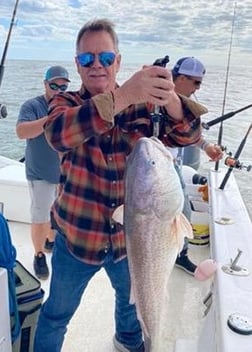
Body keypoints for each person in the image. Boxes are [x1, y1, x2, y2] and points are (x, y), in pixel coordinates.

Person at [34, 19, 207, 352]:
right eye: (87, 59)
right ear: (77, 64)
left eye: (105, 57)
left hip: (130, 243)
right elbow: (57, 134)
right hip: (77, 240)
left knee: (131, 310)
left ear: (118, 61)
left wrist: (169, 98)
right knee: (56, 315)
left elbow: (190, 136)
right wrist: (124, 94)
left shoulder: (145, 108)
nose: (96, 65)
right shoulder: (66, 103)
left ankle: (130, 343)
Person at [16, 66, 70, 280]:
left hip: (64, 173)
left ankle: (50, 241)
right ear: (45, 84)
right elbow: (21, 132)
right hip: (39, 172)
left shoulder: (69, 105)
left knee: (58, 213)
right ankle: (39, 254)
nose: (58, 90)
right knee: (40, 216)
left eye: (63, 86)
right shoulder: (32, 105)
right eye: (54, 85)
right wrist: (49, 120)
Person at [171, 57, 223, 275]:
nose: (198, 88)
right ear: (181, 78)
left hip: (172, 167)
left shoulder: (186, 106)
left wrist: (207, 146)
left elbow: (190, 136)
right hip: (155, 170)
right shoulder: (156, 100)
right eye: (196, 82)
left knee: (183, 214)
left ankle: (179, 255)